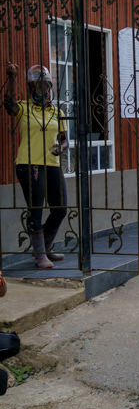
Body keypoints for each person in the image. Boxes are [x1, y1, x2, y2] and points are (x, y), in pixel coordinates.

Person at [3, 64, 69, 269]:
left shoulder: (56, 112)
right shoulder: (23, 107)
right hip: (29, 164)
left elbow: (65, 139)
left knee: (60, 209)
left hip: (52, 164)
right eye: (38, 86)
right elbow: (8, 105)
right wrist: (12, 78)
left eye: (46, 86)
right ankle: (40, 254)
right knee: (36, 209)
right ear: (31, 88)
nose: (43, 90)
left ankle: (45, 246)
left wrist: (62, 148)